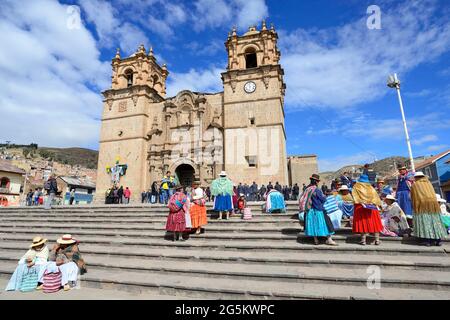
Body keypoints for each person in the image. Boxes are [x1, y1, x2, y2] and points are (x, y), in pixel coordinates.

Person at [410, 172, 447, 246]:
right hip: (433, 206)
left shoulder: (415, 185)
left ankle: (427, 240)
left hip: (422, 206)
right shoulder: (429, 184)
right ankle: (437, 240)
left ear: (416, 178)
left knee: (425, 222)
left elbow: (413, 197)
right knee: (435, 222)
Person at [299, 174, 337, 246]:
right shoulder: (316, 190)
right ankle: (329, 239)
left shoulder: (307, 189)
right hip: (318, 209)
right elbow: (323, 199)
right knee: (326, 223)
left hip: (309, 211)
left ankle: (316, 240)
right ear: (316, 182)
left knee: (313, 225)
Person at [352, 174, 383, 245]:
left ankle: (363, 240)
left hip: (361, 207)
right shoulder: (371, 187)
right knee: (374, 223)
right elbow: (376, 198)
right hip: (372, 208)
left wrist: (362, 202)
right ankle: (377, 240)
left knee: (363, 223)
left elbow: (355, 197)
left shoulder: (356, 186)